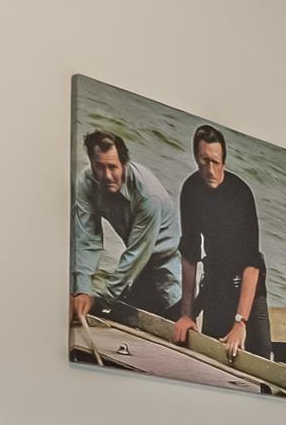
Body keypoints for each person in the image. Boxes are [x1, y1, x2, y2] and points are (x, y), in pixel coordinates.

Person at [69, 131, 185, 332]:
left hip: (168, 276)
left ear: (124, 163)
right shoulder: (86, 182)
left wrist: (101, 301)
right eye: (99, 166)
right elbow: (87, 240)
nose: (106, 176)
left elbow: (135, 254)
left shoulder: (148, 195)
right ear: (92, 162)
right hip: (138, 275)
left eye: (113, 167)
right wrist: (82, 291)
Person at [177, 124, 267, 358]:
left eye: (216, 162)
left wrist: (240, 323)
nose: (210, 170)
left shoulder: (241, 195)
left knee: (259, 356)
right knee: (212, 353)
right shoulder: (190, 190)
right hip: (216, 279)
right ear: (196, 158)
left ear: (224, 162)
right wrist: (187, 314)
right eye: (204, 161)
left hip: (249, 282)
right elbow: (189, 255)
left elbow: (252, 264)